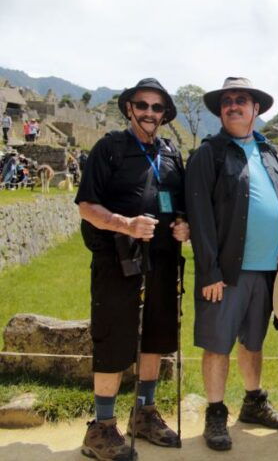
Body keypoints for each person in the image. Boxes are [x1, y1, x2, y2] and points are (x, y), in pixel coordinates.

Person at [75, 77, 189, 460]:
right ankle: (102, 428)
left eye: (157, 108)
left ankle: (144, 413)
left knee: (155, 337)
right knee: (113, 340)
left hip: (162, 262)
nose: (150, 113)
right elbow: (87, 207)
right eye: (142, 105)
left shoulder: (172, 154)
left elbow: (180, 203)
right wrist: (125, 224)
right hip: (116, 262)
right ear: (129, 108)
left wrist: (182, 224)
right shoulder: (108, 149)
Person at [185, 77, 278, 451]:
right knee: (218, 345)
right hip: (226, 272)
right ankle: (215, 413)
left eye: (241, 100)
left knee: (253, 341)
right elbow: (198, 215)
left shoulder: (270, 154)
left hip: (266, 270)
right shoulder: (209, 154)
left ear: (255, 109)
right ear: (220, 110)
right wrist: (210, 270)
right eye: (227, 100)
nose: (233, 105)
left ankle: (253, 402)